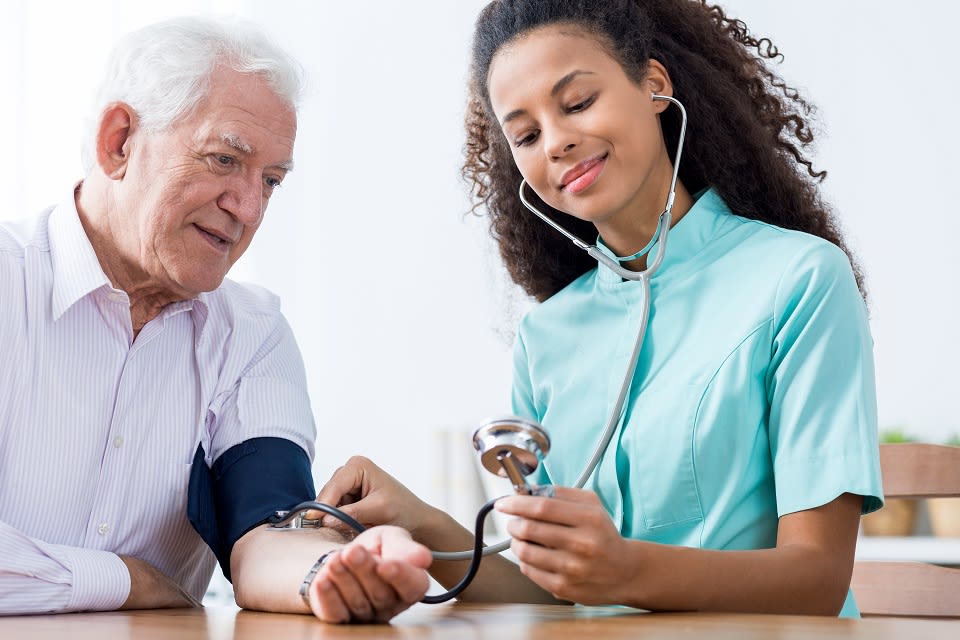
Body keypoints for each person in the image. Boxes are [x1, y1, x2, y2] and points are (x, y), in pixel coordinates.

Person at [314, 0, 883, 617]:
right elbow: (562, 595)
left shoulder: (799, 279)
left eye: (578, 102)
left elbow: (818, 580)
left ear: (655, 86)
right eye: (526, 135)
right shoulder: (546, 334)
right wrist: (420, 520)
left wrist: (624, 569)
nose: (556, 142)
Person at [0, 16, 429, 623]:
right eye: (225, 159)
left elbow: (266, 530)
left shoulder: (253, 334)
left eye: (271, 181)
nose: (249, 208)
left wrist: (327, 572)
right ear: (119, 141)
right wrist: (126, 580)